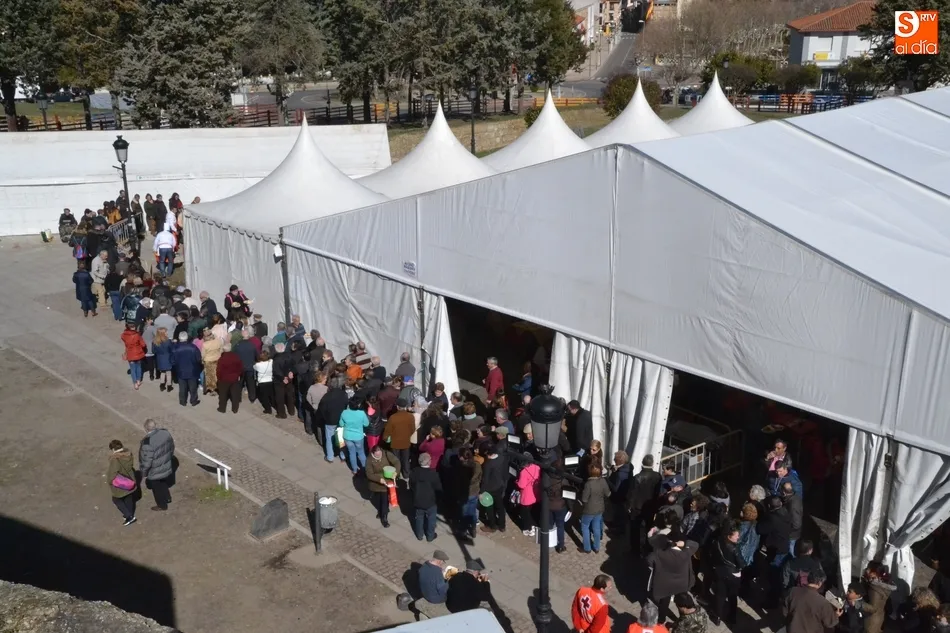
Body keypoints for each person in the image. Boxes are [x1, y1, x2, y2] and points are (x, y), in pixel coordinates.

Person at [646, 530, 698, 624]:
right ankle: (683, 618)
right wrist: (684, 543)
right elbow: (695, 544)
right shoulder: (686, 552)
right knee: (681, 601)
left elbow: (649, 560)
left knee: (664, 603)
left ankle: (661, 620)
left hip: (666, 584)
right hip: (681, 583)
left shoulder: (660, 553)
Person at [709, 521, 744, 626]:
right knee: (732, 597)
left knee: (720, 595)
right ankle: (732, 618)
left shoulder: (717, 542)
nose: (738, 537)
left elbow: (713, 556)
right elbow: (742, 563)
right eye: (736, 535)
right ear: (729, 536)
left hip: (720, 572)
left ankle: (717, 617)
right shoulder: (735, 549)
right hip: (733, 575)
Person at [628, 454, 662, 556]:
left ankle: (635, 550)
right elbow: (657, 493)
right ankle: (648, 547)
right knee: (649, 527)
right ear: (652, 464)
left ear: (642, 464)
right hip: (650, 506)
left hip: (637, 507)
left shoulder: (637, 477)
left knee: (635, 529)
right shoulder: (658, 476)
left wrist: (629, 506)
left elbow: (632, 495)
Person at [139, 419, 175, 512]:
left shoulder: (147, 443)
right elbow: (171, 447)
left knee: (157, 488)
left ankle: (162, 505)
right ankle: (167, 497)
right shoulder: (165, 433)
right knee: (163, 482)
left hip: (155, 470)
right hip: (166, 464)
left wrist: (143, 473)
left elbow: (147, 461)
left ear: (146, 429)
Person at [410, 453, 443, 541]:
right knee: (431, 519)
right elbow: (438, 488)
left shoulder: (414, 472)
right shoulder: (433, 474)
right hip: (430, 501)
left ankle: (419, 535)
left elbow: (411, 485)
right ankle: (430, 536)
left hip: (418, 500)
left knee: (419, 518)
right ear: (428, 462)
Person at [365, 443, 399, 528]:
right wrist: (379, 479)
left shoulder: (386, 453)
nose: (379, 455)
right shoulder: (369, 460)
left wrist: (396, 472)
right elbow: (369, 474)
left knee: (384, 500)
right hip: (376, 483)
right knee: (379, 499)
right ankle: (381, 511)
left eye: (380, 453)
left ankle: (384, 518)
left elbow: (396, 462)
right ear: (373, 453)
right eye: (377, 455)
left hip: (387, 482)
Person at [580, 464, 611, 554]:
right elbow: (608, 494)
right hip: (600, 508)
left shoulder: (588, 484)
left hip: (589, 510)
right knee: (596, 527)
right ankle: (597, 547)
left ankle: (587, 548)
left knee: (585, 527)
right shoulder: (603, 481)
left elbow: (584, 499)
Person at [107, 439, 138, 526]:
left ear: (113, 449)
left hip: (121, 482)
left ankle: (129, 516)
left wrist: (109, 481)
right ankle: (130, 513)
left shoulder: (115, 459)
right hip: (130, 479)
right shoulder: (128, 454)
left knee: (116, 499)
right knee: (129, 497)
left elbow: (113, 473)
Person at [318, 376, 348, 463]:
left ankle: (330, 457)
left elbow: (322, 409)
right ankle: (342, 455)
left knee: (329, 439)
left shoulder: (326, 396)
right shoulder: (344, 394)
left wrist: (325, 418)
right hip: (341, 420)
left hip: (330, 421)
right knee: (341, 438)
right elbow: (346, 406)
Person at [479, 443, 507, 533]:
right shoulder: (502, 458)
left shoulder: (488, 464)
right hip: (500, 486)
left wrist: (481, 492)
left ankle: (492, 526)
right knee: (500, 506)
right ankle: (502, 526)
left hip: (489, 489)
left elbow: (485, 480)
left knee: (489, 508)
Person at [384, 398, 416, 478]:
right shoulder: (410, 416)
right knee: (405, 460)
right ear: (405, 407)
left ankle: (396, 475)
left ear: (397, 407)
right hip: (406, 441)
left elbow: (388, 431)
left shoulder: (393, 417)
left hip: (395, 442)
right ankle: (406, 474)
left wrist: (385, 438)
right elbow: (413, 429)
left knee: (395, 460)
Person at [863, 562, 896, 633]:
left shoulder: (875, 590)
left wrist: (858, 603)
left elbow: (873, 608)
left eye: (868, 569)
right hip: (879, 617)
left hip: (870, 621)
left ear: (874, 573)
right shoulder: (883, 584)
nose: (866, 570)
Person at [340, 396, 370, 474]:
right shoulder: (361, 413)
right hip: (358, 436)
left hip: (347, 436)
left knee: (351, 453)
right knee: (361, 453)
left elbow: (341, 424)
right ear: (358, 405)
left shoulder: (344, 412)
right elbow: (366, 424)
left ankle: (354, 470)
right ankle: (365, 470)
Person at [172, 331, 201, 406]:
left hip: (180, 370)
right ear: (187, 338)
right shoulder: (193, 347)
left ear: (179, 338)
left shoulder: (175, 348)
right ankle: (193, 401)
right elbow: (198, 358)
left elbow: (172, 361)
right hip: (192, 370)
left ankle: (182, 401)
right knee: (193, 387)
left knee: (182, 387)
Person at [515, 459, 541, 537]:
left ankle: (528, 528)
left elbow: (521, 485)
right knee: (534, 510)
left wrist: (516, 482)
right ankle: (534, 525)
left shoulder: (523, 472)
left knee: (525, 513)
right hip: (536, 492)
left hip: (527, 495)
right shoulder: (537, 467)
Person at [121, 322, 147, 389]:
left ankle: (135, 383)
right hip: (138, 353)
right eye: (133, 326)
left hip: (130, 354)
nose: (134, 327)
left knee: (132, 369)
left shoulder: (124, 335)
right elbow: (143, 344)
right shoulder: (137, 335)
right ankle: (138, 380)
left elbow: (124, 341)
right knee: (138, 367)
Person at [782, 480, 804, 556]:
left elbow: (796, 524)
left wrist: (786, 530)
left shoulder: (792, 505)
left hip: (792, 535)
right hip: (793, 534)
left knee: (791, 553)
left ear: (784, 492)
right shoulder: (795, 497)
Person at [200, 329, 223, 395]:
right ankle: (218, 387)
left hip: (208, 361)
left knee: (210, 376)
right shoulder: (218, 341)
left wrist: (202, 360)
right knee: (217, 375)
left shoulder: (205, 344)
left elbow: (203, 355)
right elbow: (221, 350)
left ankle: (212, 389)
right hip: (217, 359)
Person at [254, 349, 275, 414]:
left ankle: (268, 409)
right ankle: (274, 405)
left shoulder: (258, 365)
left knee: (264, 397)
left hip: (262, 382)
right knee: (271, 395)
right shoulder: (271, 361)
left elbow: (254, 367)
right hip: (270, 380)